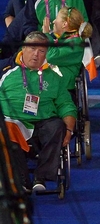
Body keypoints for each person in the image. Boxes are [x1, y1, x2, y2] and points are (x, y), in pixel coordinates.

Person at [2, 32, 77, 193]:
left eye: (42, 51)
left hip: (43, 123)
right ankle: (22, 180)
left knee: (57, 126)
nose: (36, 54)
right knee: (6, 128)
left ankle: (40, 177)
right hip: (13, 122)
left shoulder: (55, 77)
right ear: (23, 48)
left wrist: (69, 130)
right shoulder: (6, 74)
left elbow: (66, 105)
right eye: (32, 48)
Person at [47, 6, 93, 99]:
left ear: (64, 24)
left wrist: (46, 35)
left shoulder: (75, 44)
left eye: (57, 19)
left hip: (63, 89)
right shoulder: (65, 39)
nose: (54, 21)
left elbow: (50, 56)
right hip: (53, 84)